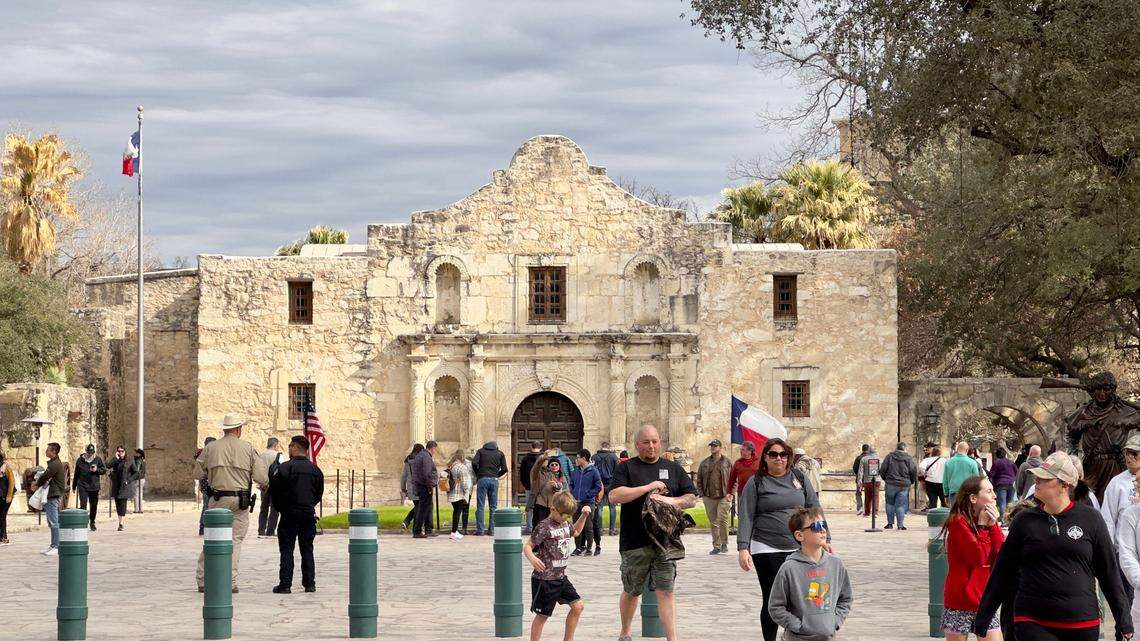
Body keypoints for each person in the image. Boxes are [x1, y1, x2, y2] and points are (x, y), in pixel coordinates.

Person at [974, 451, 1134, 641]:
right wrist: (984, 614)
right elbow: (1003, 571)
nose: (1037, 481)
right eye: (1037, 477)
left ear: (1064, 485)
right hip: (1033, 619)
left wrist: (1123, 619)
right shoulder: (1024, 521)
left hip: (1081, 621)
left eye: (1045, 478)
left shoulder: (1091, 519)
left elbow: (1109, 573)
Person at [610, 425, 698, 641]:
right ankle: (625, 633)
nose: (651, 446)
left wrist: (669, 500)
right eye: (646, 442)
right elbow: (614, 496)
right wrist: (647, 488)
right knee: (632, 591)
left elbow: (691, 498)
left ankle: (672, 639)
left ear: (660, 442)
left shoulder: (673, 468)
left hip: (666, 543)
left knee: (666, 591)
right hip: (634, 542)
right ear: (637, 444)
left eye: (655, 441)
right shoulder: (626, 468)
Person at [737, 438, 827, 641]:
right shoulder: (757, 481)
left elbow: (813, 507)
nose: (779, 458)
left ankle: (795, 637)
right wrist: (743, 547)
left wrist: (824, 536)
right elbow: (746, 514)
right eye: (773, 454)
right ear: (766, 458)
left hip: (798, 547)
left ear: (789, 457)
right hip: (766, 547)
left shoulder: (798, 477)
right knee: (772, 597)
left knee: (801, 597)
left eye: (783, 454)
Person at [195, 413, 270, 593]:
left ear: (224, 429)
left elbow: (197, 473)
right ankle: (230, 581)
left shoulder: (211, 448)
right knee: (235, 541)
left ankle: (203, 580)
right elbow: (261, 477)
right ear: (238, 429)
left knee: (212, 539)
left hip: (217, 498)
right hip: (240, 500)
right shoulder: (248, 448)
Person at [767, 506, 853, 641]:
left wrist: (834, 622)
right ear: (799, 535)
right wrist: (798, 626)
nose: (823, 530)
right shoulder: (789, 568)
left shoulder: (836, 564)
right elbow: (775, 607)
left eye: (824, 525)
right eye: (816, 526)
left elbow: (846, 598)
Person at [940, 476, 1004, 641]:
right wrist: (982, 527)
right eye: (989, 491)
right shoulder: (958, 522)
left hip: (984, 598)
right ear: (973, 498)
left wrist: (992, 525)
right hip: (960, 599)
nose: (994, 496)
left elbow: (1000, 556)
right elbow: (978, 557)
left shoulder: (988, 521)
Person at [524, 491, 591, 641]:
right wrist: (532, 558)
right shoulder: (544, 527)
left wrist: (583, 516)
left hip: (560, 578)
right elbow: (528, 546)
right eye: (564, 515)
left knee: (578, 606)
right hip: (545, 579)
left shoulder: (566, 523)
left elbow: (577, 531)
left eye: (569, 516)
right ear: (552, 509)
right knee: (542, 616)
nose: (566, 519)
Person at [271, 435, 324, 594]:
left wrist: (282, 508)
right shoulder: (315, 470)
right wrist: (308, 505)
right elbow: (318, 494)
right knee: (307, 548)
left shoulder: (284, 468)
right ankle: (309, 583)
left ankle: (285, 584)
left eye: (290, 446)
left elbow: (275, 492)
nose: (289, 449)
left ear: (294, 448)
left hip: (289, 513)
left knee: (287, 549)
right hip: (307, 514)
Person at [696, 439, 733, 554]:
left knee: (722, 519)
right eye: (711, 446)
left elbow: (734, 479)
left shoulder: (727, 462)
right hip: (709, 496)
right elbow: (699, 479)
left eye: (715, 446)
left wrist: (731, 493)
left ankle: (724, 543)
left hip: (724, 495)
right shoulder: (704, 463)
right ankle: (716, 546)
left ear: (720, 448)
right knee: (713, 522)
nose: (712, 448)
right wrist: (702, 494)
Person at [35, 442, 66, 555]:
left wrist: (36, 484)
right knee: (52, 521)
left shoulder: (54, 464)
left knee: (54, 522)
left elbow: (45, 476)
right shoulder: (54, 463)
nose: (46, 451)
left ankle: (56, 546)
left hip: (54, 494)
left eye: (48, 450)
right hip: (53, 494)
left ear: (53, 452)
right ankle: (53, 545)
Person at [471, 441, 508, 536]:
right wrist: (496, 474)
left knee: (480, 506)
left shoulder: (480, 451)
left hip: (482, 479)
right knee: (493, 507)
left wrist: (478, 473)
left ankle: (480, 530)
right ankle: (491, 530)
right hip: (494, 480)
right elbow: (504, 469)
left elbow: (474, 463)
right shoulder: (500, 453)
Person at [570, 448, 603, 556]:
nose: (577, 459)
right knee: (576, 526)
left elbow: (598, 485)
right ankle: (578, 548)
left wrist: (588, 494)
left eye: (578, 457)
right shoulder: (576, 470)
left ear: (584, 458)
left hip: (588, 502)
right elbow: (571, 483)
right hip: (576, 502)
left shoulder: (594, 471)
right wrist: (572, 493)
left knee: (588, 526)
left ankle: (589, 548)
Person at [880, 442, 917, 530]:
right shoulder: (908, 458)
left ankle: (889, 524)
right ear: (905, 449)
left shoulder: (890, 456)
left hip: (891, 483)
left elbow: (882, 469)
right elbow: (912, 471)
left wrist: (886, 479)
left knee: (890, 503)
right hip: (904, 484)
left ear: (897, 448)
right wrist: (911, 481)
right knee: (901, 504)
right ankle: (900, 525)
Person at [72, 444, 105, 531]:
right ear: (86, 452)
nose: (90, 454)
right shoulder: (80, 460)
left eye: (92, 452)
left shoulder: (97, 459)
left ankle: (92, 522)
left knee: (93, 505)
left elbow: (103, 470)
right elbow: (76, 474)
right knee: (83, 504)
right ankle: (83, 522)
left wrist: (96, 470)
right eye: (89, 452)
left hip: (94, 486)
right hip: (83, 485)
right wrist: (74, 486)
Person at [106, 446, 138, 532]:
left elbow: (136, 473)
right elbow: (108, 466)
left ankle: (121, 524)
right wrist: (115, 458)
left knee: (123, 505)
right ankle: (120, 521)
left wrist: (129, 480)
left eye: (122, 451)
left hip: (124, 486)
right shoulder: (116, 461)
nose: (120, 452)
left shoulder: (130, 461)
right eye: (119, 451)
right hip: (116, 485)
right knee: (118, 505)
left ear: (125, 451)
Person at [411, 440, 439, 539]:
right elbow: (427, 473)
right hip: (424, 486)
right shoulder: (426, 457)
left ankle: (428, 529)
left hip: (420, 485)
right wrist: (430, 486)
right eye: (435, 449)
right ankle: (417, 531)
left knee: (427, 507)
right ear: (433, 448)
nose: (435, 451)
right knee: (423, 509)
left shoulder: (420, 455)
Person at [592, 441, 620, 536]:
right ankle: (612, 530)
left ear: (601, 447)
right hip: (611, 484)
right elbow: (618, 471)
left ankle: (600, 530)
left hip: (599, 484)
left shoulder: (594, 457)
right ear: (609, 447)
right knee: (612, 507)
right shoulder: (614, 457)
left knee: (599, 507)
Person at [258, 437, 284, 538]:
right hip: (275, 485)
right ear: (275, 445)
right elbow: (282, 470)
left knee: (263, 508)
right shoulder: (278, 455)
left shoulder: (260, 455)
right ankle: (270, 530)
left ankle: (261, 530)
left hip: (263, 485)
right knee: (274, 509)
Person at [531, 454, 565, 526]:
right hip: (541, 504)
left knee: (553, 526)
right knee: (540, 525)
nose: (554, 466)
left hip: (555, 506)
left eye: (556, 464)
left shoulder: (562, 478)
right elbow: (535, 469)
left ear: (559, 466)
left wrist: (557, 486)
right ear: (548, 466)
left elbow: (565, 490)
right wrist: (541, 459)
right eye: (552, 465)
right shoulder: (543, 474)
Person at [446, 448, 474, 540]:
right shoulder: (462, 467)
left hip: (452, 492)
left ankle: (454, 531)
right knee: (457, 512)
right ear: (462, 456)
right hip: (459, 493)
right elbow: (465, 483)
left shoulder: (452, 465)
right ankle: (453, 532)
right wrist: (467, 492)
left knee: (456, 511)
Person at [988, 448, 1018, 522]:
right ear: (1005, 454)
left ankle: (1003, 520)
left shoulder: (997, 462)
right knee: (1010, 503)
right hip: (1012, 483)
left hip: (1001, 484)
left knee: (1002, 503)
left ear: (997, 454)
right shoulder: (1011, 462)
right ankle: (1010, 520)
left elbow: (991, 474)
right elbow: (1017, 472)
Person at [400, 444, 424, 533]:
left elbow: (403, 476)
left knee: (418, 506)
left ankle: (407, 522)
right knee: (420, 507)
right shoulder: (420, 460)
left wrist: (403, 488)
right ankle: (415, 528)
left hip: (410, 487)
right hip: (419, 486)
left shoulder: (408, 461)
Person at [520, 441, 542, 535]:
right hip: (541, 487)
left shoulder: (525, 459)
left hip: (529, 487)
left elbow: (522, 474)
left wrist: (526, 485)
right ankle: (540, 527)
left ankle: (529, 527)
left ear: (531, 447)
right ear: (540, 448)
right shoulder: (543, 459)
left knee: (529, 507)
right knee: (541, 507)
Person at [197, 436, 217, 536]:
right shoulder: (204, 455)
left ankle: (205, 528)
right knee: (206, 506)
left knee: (208, 506)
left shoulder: (203, 454)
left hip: (209, 484)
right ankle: (203, 528)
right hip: (207, 485)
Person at [859, 444, 881, 517]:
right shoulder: (880, 459)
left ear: (868, 451)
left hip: (867, 480)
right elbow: (882, 470)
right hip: (877, 480)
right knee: (876, 496)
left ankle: (867, 512)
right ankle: (875, 513)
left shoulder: (864, 459)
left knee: (867, 497)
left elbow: (860, 471)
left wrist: (859, 480)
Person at [0, 450, 15, 545]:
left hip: (5, 496)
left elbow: (12, 482)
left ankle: (4, 538)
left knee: (2, 517)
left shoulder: (6, 467)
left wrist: (9, 495)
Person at [852, 444, 870, 515]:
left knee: (858, 493)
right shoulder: (870, 458)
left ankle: (860, 508)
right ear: (868, 450)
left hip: (860, 479)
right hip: (868, 479)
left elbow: (854, 468)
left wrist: (858, 475)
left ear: (862, 449)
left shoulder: (858, 458)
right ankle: (867, 508)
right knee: (868, 494)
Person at [132, 448, 147, 513]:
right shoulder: (143, 461)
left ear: (139, 454)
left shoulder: (138, 460)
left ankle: (136, 509)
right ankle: (140, 509)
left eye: (136, 453)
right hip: (142, 478)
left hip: (138, 479)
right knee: (140, 495)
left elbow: (136, 470)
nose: (135, 454)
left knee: (136, 495)